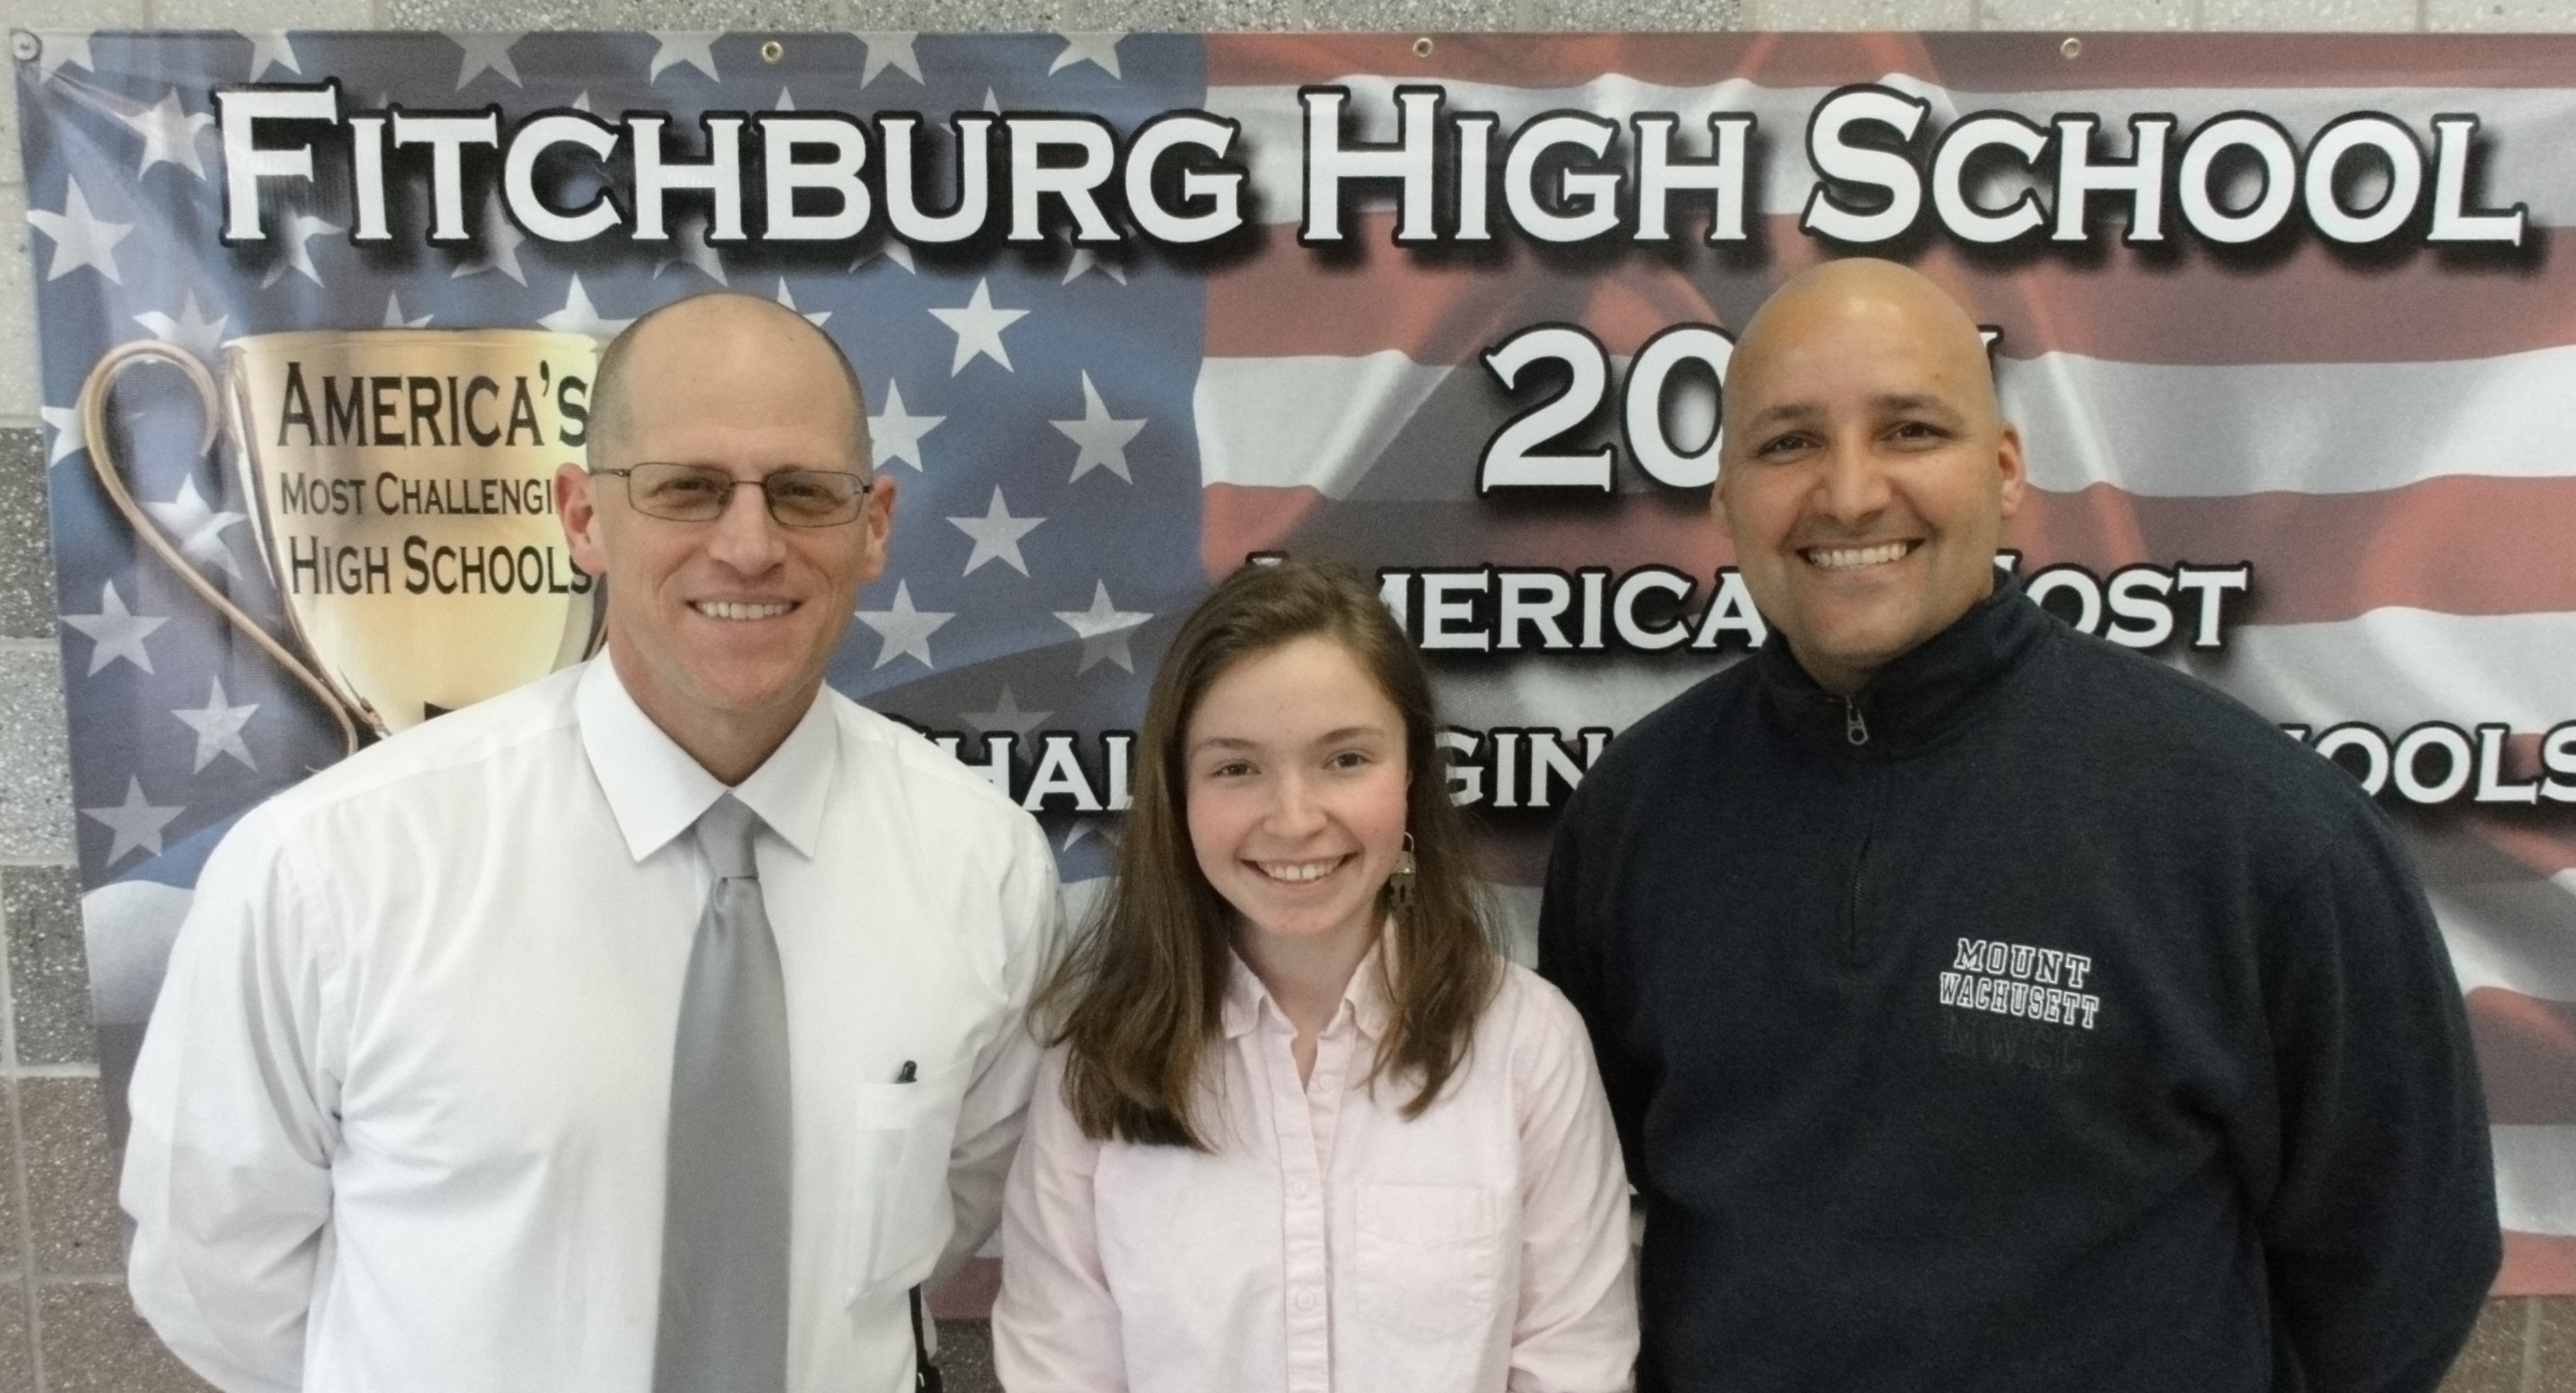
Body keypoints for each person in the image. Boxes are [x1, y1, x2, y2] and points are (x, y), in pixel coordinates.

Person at [1538, 258, 2498, 1392]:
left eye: (1907, 431)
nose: (1847, 495)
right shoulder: (1634, 815)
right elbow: (1607, 1183)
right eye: (1787, 443)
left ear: (2001, 473)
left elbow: (2401, 1266)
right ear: (1724, 495)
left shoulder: (2254, 830)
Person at [120, 292, 1059, 1393]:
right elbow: (215, 1269)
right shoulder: (329, 868)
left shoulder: (980, 865)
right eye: (685, 488)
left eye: (804, 492)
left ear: (874, 526)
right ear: (580, 516)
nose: (748, 545)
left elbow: (954, 1206)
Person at [994, 558, 1637, 1393]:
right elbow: (1059, 1374)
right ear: (1177, 789)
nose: (1295, 819)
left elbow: (1574, 1364)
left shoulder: (1528, 1045)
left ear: (1409, 771)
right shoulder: (1094, 1066)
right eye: (1236, 767)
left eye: (1344, 759)